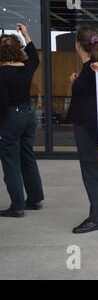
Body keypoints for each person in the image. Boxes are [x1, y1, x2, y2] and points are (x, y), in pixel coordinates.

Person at [68, 25, 98, 234]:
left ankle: (97, 217)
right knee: (97, 171)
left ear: (78, 44)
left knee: (91, 172)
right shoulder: (90, 68)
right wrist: (76, 81)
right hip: (93, 127)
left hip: (90, 129)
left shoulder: (96, 68)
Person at [0, 23, 45, 217]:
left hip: (11, 117)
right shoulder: (26, 67)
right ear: (18, 50)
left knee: (11, 162)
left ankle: (17, 206)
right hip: (28, 114)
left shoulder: (2, 73)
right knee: (28, 157)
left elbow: (1, 103)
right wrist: (26, 34)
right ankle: (35, 199)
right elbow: (34, 55)